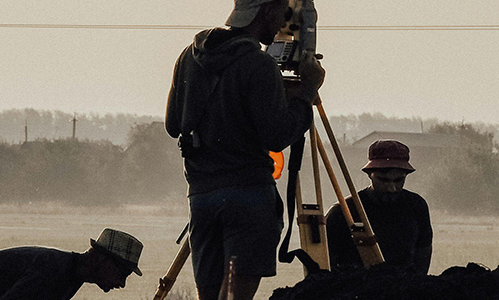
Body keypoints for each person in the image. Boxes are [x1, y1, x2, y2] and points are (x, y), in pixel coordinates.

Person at [164, 0, 325, 298]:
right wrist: (306, 93)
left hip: (201, 197)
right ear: (265, 11)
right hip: (248, 198)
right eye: (280, 13)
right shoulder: (259, 63)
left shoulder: (189, 55)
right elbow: (277, 136)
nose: (282, 23)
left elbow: (173, 125)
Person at [0, 228, 143, 300]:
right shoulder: (53, 272)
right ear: (101, 259)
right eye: (122, 273)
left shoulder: (71, 276)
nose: (122, 284)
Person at [325, 139, 433, 274]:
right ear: (369, 175)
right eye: (383, 180)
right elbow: (327, 259)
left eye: (399, 180)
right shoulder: (344, 212)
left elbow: (423, 250)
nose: (392, 188)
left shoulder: (417, 206)